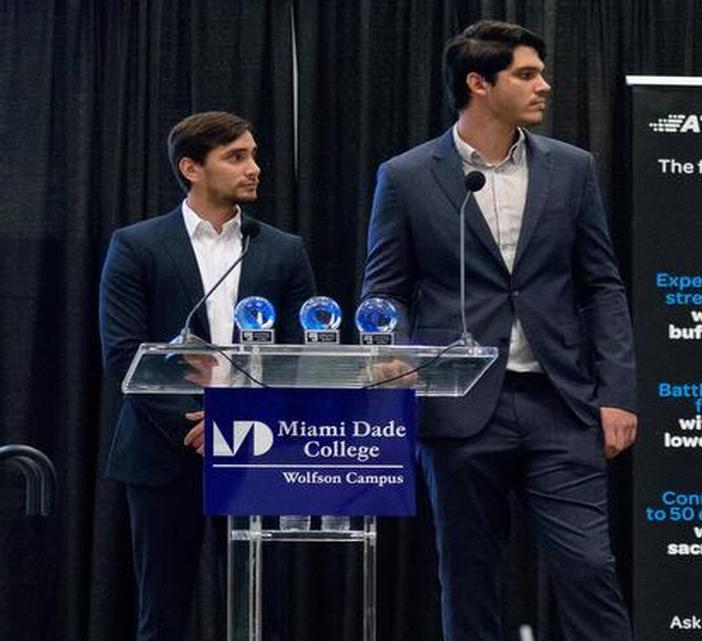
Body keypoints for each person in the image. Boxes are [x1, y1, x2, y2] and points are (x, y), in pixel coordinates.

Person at [361, 20, 637, 641]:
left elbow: (603, 286)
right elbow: (384, 288)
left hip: (559, 402)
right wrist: (394, 351)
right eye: (527, 74)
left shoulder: (572, 168)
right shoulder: (405, 176)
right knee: (470, 574)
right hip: (457, 405)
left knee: (589, 566)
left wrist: (616, 392)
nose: (545, 85)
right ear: (479, 83)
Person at [100, 111, 316, 640]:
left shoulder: (284, 249)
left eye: (254, 155)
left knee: (265, 609)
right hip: (165, 449)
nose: (254, 168)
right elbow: (125, 353)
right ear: (192, 167)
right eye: (236, 157)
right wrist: (195, 425)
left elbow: (300, 357)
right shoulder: (137, 246)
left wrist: (239, 418)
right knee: (163, 610)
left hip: (260, 447)